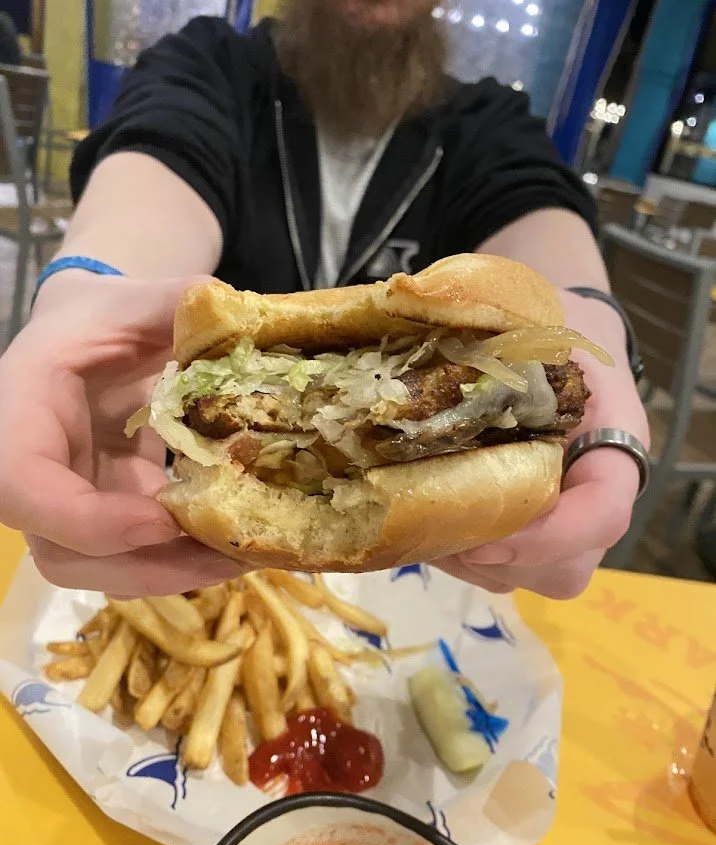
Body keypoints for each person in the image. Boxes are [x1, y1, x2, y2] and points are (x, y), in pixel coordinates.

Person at [0, 0, 649, 599]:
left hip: (429, 594)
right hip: (178, 536)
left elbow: (537, 213)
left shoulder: (489, 120)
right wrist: (85, 288)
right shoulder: (212, 64)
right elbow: (159, 166)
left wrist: (593, 314)